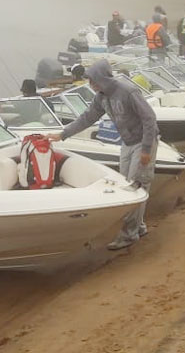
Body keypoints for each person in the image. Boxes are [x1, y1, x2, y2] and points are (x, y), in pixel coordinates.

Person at [45, 59, 159, 250]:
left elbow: (149, 118)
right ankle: (138, 227)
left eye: (93, 80)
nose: (91, 84)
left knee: (135, 186)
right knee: (127, 186)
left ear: (102, 78)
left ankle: (128, 235)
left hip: (143, 142)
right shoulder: (101, 97)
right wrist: (63, 134)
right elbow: (87, 117)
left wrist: (146, 149)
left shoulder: (128, 91)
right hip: (127, 143)